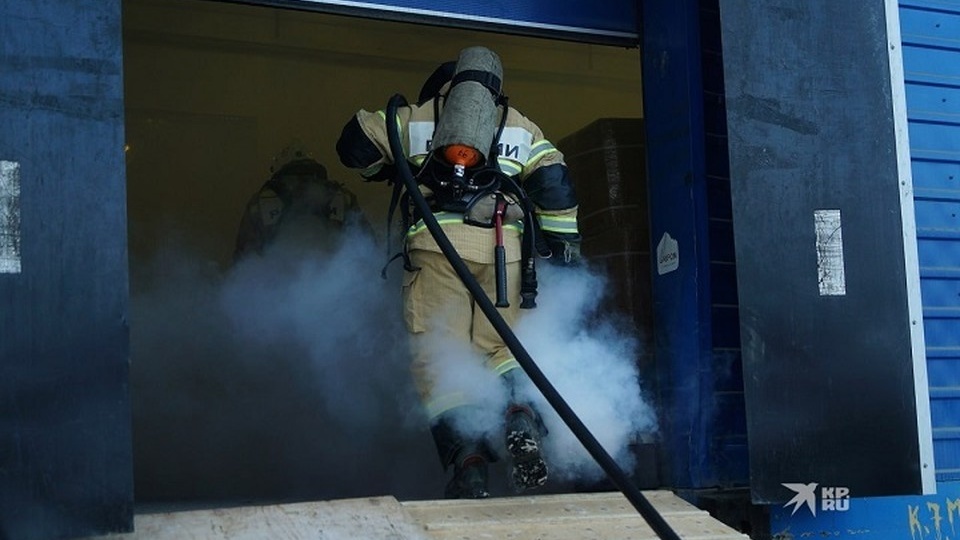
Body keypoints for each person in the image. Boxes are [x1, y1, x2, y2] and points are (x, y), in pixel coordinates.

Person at [335, 46, 582, 499]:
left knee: (440, 360)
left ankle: (467, 464)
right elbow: (554, 184)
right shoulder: (521, 127)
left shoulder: (417, 117)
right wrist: (565, 248)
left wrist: (391, 165)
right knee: (503, 349)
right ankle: (519, 414)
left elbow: (353, 146)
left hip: (436, 251)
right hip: (503, 256)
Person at [233, 141, 365, 262]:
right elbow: (366, 243)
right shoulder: (342, 196)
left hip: (277, 278)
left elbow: (244, 255)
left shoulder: (262, 201)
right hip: (336, 279)